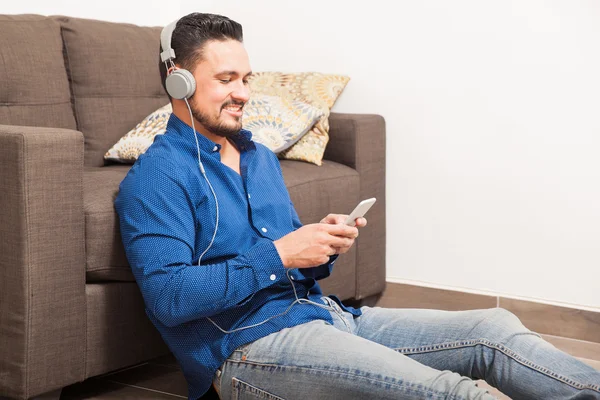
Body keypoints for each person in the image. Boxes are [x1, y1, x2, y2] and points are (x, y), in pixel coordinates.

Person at [114, 12, 600, 400]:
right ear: (178, 81)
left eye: (246, 78)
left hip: (325, 314)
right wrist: (282, 253)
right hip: (248, 349)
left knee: (493, 330)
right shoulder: (156, 177)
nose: (243, 92)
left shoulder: (257, 155)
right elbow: (170, 297)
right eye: (226, 79)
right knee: (450, 393)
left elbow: (276, 254)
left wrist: (319, 245)